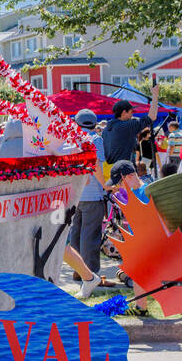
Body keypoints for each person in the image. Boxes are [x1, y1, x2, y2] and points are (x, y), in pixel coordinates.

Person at [68, 109, 116, 298]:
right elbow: (96, 163)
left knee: (76, 233)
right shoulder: (95, 139)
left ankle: (77, 270)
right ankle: (91, 274)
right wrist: (104, 185)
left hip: (73, 193)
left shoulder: (70, 138)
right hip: (91, 193)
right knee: (91, 235)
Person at [102, 85, 160, 167]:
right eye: (131, 112)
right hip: (125, 171)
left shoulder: (107, 129)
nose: (132, 115)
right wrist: (155, 95)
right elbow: (152, 117)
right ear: (124, 112)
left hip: (111, 170)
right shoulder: (126, 126)